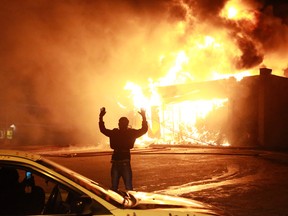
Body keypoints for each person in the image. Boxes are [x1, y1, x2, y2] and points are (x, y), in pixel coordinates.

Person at [99, 107, 148, 191]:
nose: (120, 124)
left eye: (121, 123)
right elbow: (144, 130)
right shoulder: (130, 133)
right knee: (127, 187)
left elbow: (103, 129)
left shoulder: (116, 133)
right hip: (122, 162)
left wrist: (101, 117)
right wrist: (143, 117)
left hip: (117, 162)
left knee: (115, 188)